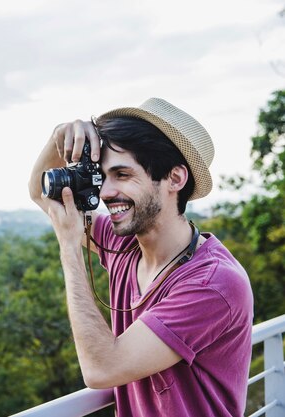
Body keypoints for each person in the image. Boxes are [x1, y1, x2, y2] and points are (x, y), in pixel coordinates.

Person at [28, 98, 254, 417]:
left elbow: (102, 370)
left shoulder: (212, 283)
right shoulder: (123, 244)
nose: (105, 193)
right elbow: (42, 193)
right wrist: (59, 137)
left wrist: (68, 247)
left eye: (122, 174)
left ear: (175, 179)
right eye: (102, 176)